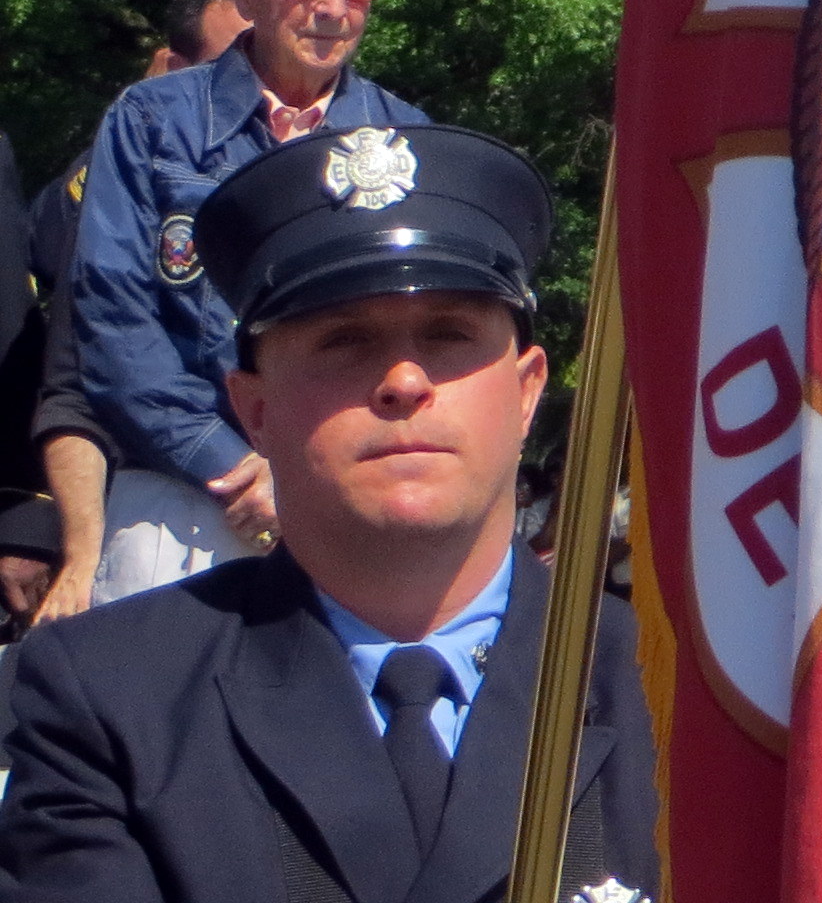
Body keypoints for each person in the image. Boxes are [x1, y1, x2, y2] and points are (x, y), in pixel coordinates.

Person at [0, 121, 655, 900]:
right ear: (255, 410)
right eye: (344, 341)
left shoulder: (673, 687)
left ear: (526, 390)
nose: (404, 381)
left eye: (448, 334)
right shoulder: (112, 698)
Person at [68, 0, 426, 605]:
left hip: (345, 506)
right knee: (149, 718)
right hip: (178, 504)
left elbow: (417, 333)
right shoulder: (152, 120)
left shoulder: (405, 140)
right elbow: (113, 319)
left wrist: (318, 476)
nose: (331, 7)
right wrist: (233, 465)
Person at [27, 0, 249, 636]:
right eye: (231, 66)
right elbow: (78, 382)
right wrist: (80, 556)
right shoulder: (118, 192)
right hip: (175, 520)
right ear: (168, 73)